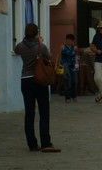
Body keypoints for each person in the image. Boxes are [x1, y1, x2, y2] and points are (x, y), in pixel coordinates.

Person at [14, 23, 60, 153]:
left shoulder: (20, 46)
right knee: (44, 111)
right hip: (40, 80)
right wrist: (40, 42)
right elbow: (49, 57)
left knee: (29, 113)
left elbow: (16, 50)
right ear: (36, 33)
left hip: (25, 80)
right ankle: (45, 142)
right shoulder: (41, 47)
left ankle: (32, 144)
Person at [60, 33, 78, 102]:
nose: (69, 42)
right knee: (67, 80)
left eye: (71, 40)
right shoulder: (63, 47)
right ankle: (67, 97)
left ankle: (74, 96)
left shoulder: (75, 48)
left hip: (73, 65)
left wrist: (77, 64)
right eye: (68, 40)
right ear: (66, 40)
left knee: (74, 81)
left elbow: (76, 57)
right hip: (66, 65)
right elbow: (60, 56)